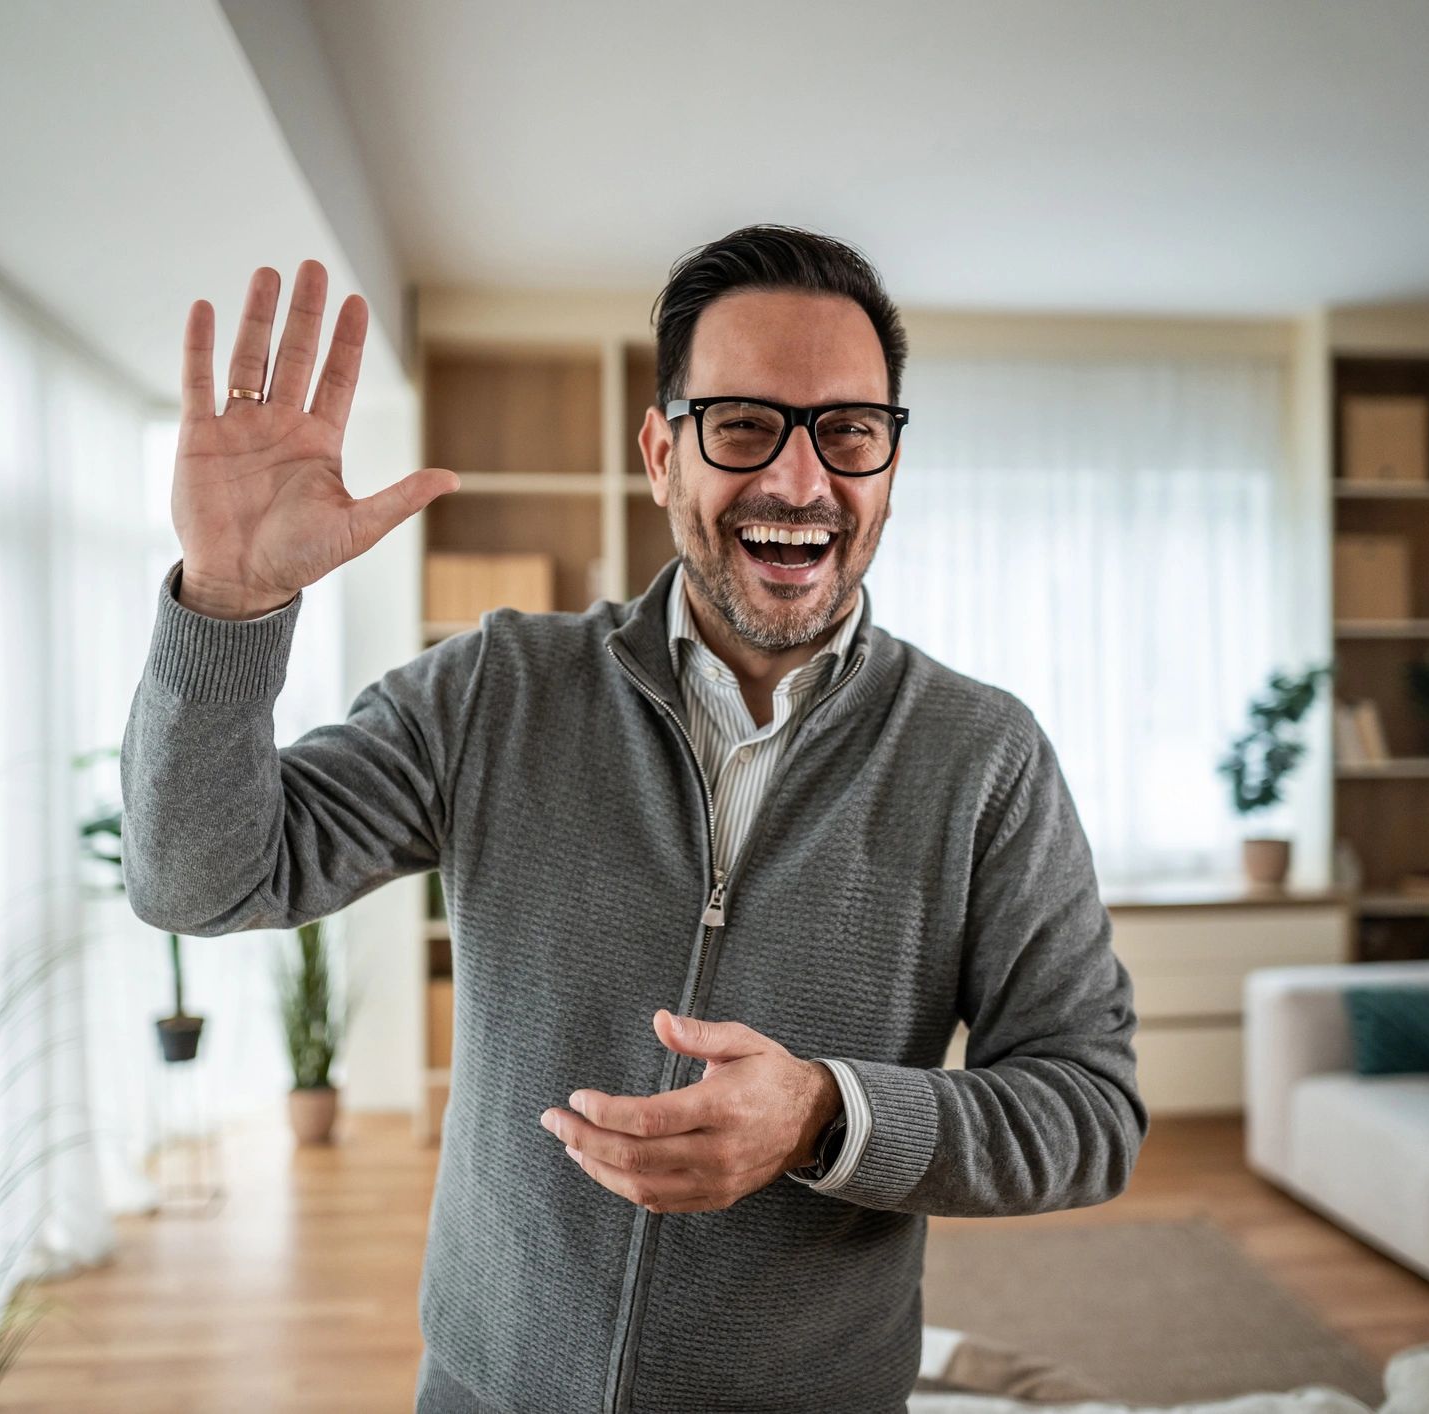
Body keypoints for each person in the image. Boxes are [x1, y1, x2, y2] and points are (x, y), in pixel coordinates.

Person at [120, 224, 1148, 1414]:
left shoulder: (986, 758)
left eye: (849, 432)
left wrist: (825, 1113)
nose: (801, 481)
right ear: (661, 452)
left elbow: (1088, 1109)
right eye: (744, 424)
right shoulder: (494, 688)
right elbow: (200, 880)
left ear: (889, 464)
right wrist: (232, 604)